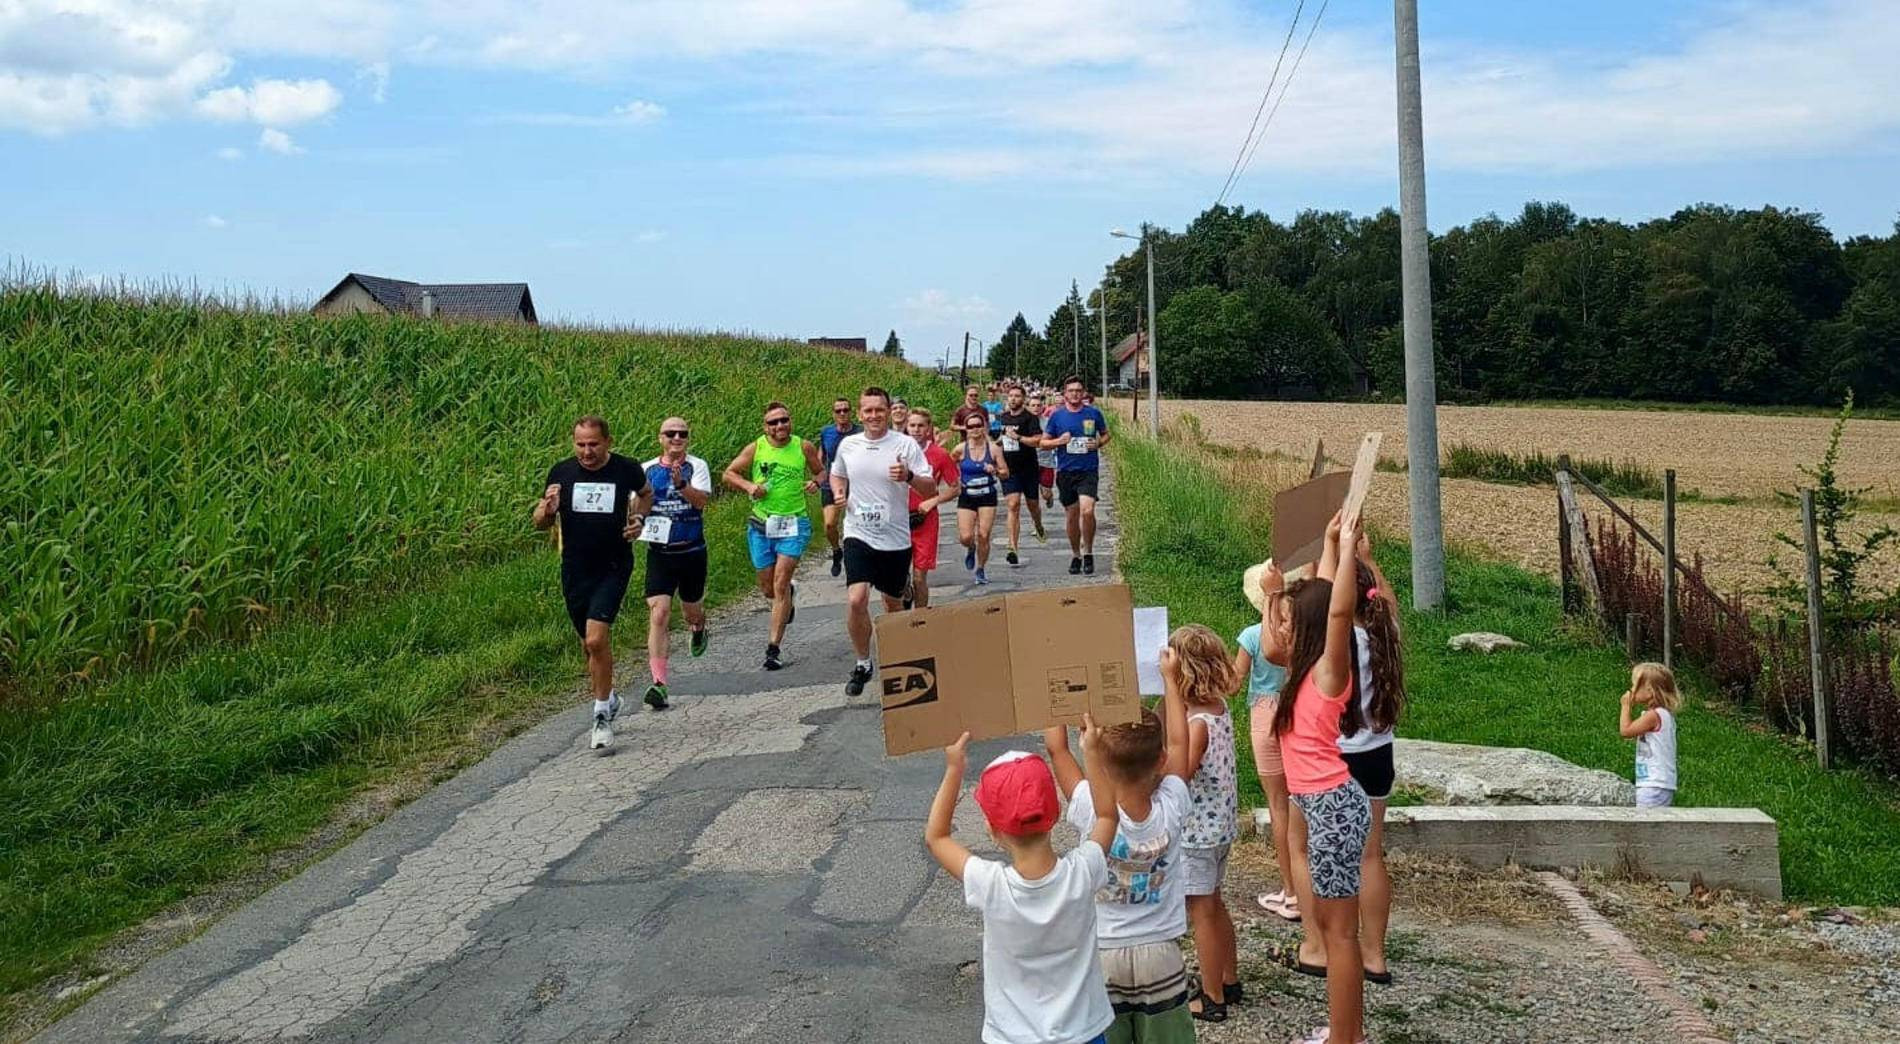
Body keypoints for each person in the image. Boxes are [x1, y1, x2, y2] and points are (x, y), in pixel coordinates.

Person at [925, 727, 1119, 1044]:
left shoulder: (990, 885)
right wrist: (1093, 753)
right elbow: (1108, 816)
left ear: (991, 829)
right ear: (1055, 814)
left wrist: (954, 768)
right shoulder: (1083, 872)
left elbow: (937, 837)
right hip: (1082, 1033)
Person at [1043, 641, 1194, 1044]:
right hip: (1161, 955)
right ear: (1159, 760)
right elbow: (1181, 746)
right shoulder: (1173, 805)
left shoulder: (1092, 811)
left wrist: (1056, 689)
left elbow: (1056, 749)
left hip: (1102, 952)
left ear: (1098, 767)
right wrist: (1170, 681)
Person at [1271, 512, 1372, 1044]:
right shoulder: (1304, 669)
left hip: (1333, 807)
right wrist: (1330, 542)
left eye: (1288, 620)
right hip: (1326, 806)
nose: (1280, 627)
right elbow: (1323, 597)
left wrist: (1351, 548)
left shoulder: (1330, 670)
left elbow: (1336, 609)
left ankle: (1343, 1039)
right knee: (1337, 932)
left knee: (1339, 935)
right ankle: (1346, 1032)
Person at [532, 416, 649, 751]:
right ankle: (609, 698)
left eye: (593, 444)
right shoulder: (561, 473)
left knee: (597, 639)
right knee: (588, 644)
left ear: (608, 442)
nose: (587, 451)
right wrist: (546, 509)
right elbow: (541, 523)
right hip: (575, 568)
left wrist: (639, 519)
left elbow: (645, 494)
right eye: (580, 445)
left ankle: (600, 717)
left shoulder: (626, 469)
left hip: (614, 564)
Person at [830, 387, 937, 696]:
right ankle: (863, 662)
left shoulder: (905, 445)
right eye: (868, 410)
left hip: (894, 538)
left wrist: (908, 477)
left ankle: (900, 660)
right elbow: (837, 475)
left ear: (889, 411)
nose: (874, 415)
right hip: (858, 532)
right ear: (860, 413)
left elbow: (930, 489)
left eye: (879, 409)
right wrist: (839, 492)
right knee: (857, 599)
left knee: (892, 606)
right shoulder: (849, 445)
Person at [1169, 624, 1241, 1022]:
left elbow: (1178, 771)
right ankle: (1228, 979)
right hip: (1220, 827)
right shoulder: (1217, 708)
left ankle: (1211, 996)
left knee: (1202, 914)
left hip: (1198, 834)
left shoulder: (1197, 726)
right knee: (1215, 904)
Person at [722, 401, 825, 671]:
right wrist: (749, 486)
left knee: (779, 583)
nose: (780, 426)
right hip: (761, 524)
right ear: (765, 427)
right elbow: (729, 473)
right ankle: (788, 595)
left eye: (784, 420)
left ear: (790, 421)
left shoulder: (803, 447)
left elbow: (821, 471)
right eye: (773, 422)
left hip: (794, 523)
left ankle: (773, 649)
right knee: (768, 588)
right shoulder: (756, 448)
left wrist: (815, 482)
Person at [1237, 560, 1300, 925]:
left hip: (1263, 714)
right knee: (1300, 802)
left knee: (1278, 805)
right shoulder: (1302, 632)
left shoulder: (1250, 636)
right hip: (1296, 711)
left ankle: (1290, 890)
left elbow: (1233, 681)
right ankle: (1304, 886)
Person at [638, 417, 712, 711]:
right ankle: (659, 683)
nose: (677, 438)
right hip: (660, 553)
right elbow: (639, 503)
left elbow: (701, 502)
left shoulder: (698, 466)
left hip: (692, 550)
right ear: (661, 438)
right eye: (671, 434)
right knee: (659, 613)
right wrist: (635, 519)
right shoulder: (646, 470)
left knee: (691, 611)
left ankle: (699, 628)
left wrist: (681, 484)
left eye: (682, 434)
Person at [1039, 376, 1111, 576]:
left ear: (1083, 393)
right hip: (1066, 471)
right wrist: (1059, 442)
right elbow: (1043, 443)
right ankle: (1076, 555)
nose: (1075, 394)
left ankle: (1088, 552)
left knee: (1087, 511)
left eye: (1079, 390)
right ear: (1065, 394)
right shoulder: (1057, 416)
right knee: (1072, 515)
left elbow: (1106, 434)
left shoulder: (1093, 413)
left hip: (1088, 470)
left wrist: (1098, 443)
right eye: (1071, 391)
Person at [903, 408, 958, 609]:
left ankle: (920, 621)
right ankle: (904, 595)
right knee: (897, 578)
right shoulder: (895, 450)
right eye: (912, 425)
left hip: (924, 519)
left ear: (929, 429)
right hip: (897, 519)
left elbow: (955, 488)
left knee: (919, 576)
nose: (916, 430)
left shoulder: (939, 454)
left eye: (921, 426)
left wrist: (932, 501)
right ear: (907, 428)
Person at [952, 413, 1007, 585]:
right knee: (966, 536)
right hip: (967, 495)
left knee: (983, 534)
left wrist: (995, 471)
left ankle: (981, 569)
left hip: (987, 496)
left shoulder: (993, 449)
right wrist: (955, 481)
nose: (975, 429)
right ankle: (970, 547)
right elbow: (947, 466)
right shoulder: (960, 449)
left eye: (978, 425)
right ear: (966, 430)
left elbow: (1006, 473)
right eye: (971, 426)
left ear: (984, 427)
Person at [995, 384, 1047, 563]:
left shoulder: (1030, 418)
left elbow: (1038, 441)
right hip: (1010, 469)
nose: (1013, 399)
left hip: (1029, 468)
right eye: (1010, 396)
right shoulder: (1002, 418)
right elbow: (996, 439)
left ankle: (1038, 524)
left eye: (1017, 396)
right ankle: (1012, 547)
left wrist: (1019, 438)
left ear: (1023, 399)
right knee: (1013, 504)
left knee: (1033, 505)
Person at [1619, 662, 1680, 808]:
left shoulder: (1654, 716)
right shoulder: (1663, 715)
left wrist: (1625, 707)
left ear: (1650, 691)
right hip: (1659, 783)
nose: (1632, 690)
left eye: (1635, 685)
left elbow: (1625, 731)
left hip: (1654, 784)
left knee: (1644, 826)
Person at [818, 397, 861, 578]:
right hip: (831, 484)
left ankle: (859, 560)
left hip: (856, 483)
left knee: (858, 525)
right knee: (829, 524)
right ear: (833, 414)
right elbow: (822, 455)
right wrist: (817, 477)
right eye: (838, 411)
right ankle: (837, 550)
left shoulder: (860, 432)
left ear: (851, 412)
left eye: (846, 410)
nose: (842, 413)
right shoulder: (826, 432)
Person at [1032, 390, 1059, 510]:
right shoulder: (1024, 422)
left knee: (1045, 493)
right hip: (1029, 463)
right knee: (1032, 498)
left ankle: (1049, 497)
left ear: (1043, 407)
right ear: (1028, 407)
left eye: (1038, 405)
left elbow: (1056, 438)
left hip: (1046, 462)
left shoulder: (1048, 422)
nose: (1036, 408)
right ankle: (1036, 523)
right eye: (1033, 405)